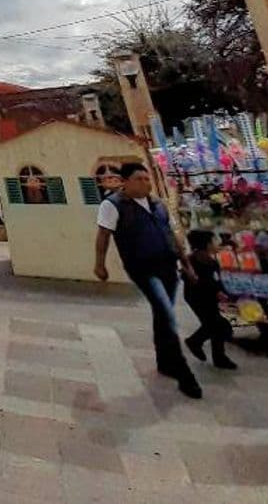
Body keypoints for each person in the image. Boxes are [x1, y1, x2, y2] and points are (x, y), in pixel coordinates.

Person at [94, 162, 201, 399]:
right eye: (139, 179)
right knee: (166, 312)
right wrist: (99, 264)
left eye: (147, 178)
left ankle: (164, 360)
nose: (145, 183)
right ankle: (184, 374)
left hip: (167, 264)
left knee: (163, 312)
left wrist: (186, 264)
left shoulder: (157, 204)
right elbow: (103, 235)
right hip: (142, 266)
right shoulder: (113, 205)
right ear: (126, 181)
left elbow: (171, 236)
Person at [183, 229, 238, 370]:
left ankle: (218, 356)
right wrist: (219, 292)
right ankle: (195, 342)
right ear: (207, 244)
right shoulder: (207, 261)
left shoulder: (192, 259)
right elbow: (212, 281)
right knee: (220, 326)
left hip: (196, 297)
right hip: (203, 298)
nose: (216, 244)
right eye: (214, 241)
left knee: (215, 326)